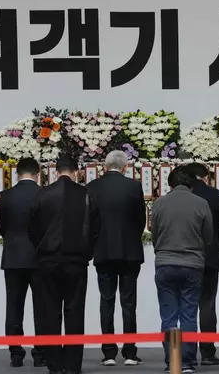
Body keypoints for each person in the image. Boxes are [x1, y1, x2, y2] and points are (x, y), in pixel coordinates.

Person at [29, 154, 100, 374]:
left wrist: (42, 251)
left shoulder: (42, 194)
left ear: (55, 171)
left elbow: (32, 229)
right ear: (77, 171)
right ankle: (73, 366)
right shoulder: (87, 194)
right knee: (74, 313)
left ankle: (54, 365)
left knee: (49, 313)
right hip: (76, 262)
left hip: (47, 261)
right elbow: (96, 230)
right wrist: (86, 253)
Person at [151, 165, 213, 374]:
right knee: (188, 314)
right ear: (191, 183)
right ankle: (186, 362)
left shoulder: (159, 203)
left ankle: (173, 361)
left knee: (169, 316)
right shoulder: (201, 203)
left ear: (170, 183)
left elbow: (155, 235)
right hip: (193, 264)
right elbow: (208, 237)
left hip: (165, 263)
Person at [87, 150, 146, 367]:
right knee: (129, 302)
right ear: (125, 167)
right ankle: (130, 352)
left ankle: (108, 353)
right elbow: (141, 219)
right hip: (129, 252)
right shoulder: (134, 186)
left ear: (105, 166)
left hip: (103, 251)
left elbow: (90, 221)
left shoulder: (92, 187)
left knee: (107, 300)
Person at [0, 157, 45, 368]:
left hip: (14, 257)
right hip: (40, 258)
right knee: (42, 307)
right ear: (38, 173)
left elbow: (2, 227)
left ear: (17, 174)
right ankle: (41, 353)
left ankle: (16, 354)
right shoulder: (44, 194)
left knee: (14, 306)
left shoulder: (6, 196)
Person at [186, 162, 219, 366]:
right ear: (205, 176)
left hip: (186, 257)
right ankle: (209, 353)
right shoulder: (217, 196)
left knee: (186, 306)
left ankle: (187, 354)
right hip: (210, 257)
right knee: (208, 305)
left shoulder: (184, 195)